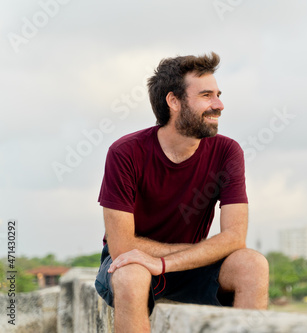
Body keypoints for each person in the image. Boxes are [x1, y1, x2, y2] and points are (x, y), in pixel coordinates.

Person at [94, 52, 269, 332]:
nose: (219, 105)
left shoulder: (227, 151)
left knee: (252, 264)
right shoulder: (125, 152)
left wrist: (164, 263)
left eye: (218, 94)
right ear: (174, 101)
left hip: (191, 267)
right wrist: (202, 250)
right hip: (133, 264)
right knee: (131, 276)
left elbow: (235, 238)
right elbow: (123, 247)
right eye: (206, 95)